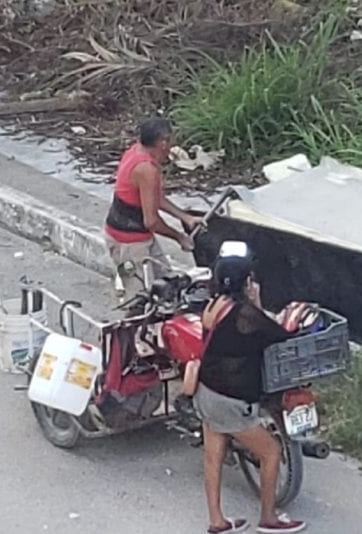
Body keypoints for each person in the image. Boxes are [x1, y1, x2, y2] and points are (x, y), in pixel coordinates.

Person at [184, 241, 307, 534]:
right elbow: (278, 333)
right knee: (271, 452)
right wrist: (259, 300)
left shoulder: (213, 306)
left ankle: (217, 521)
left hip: (207, 391)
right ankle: (269, 517)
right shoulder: (244, 314)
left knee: (213, 456)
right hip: (231, 399)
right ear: (246, 281)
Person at [104, 117, 202, 298]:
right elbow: (151, 221)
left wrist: (184, 217)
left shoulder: (135, 151)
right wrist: (179, 237)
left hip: (123, 235)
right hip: (130, 244)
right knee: (136, 297)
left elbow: (154, 197)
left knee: (167, 284)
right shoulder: (147, 169)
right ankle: (131, 319)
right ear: (163, 143)